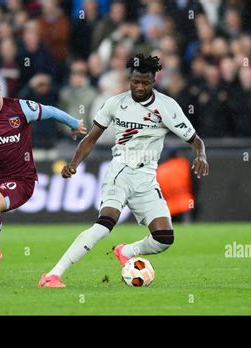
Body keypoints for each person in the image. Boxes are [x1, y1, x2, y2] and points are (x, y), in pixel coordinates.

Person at [38, 54, 209, 288]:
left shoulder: (167, 107)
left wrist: (201, 155)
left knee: (164, 239)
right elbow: (90, 139)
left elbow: (195, 139)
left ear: (154, 81)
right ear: (129, 78)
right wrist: (74, 163)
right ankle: (53, 274)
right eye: (135, 81)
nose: (139, 87)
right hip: (120, 172)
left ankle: (125, 251)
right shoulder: (115, 103)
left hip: (147, 179)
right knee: (104, 225)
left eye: (145, 83)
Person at [0, 70, 86, 285]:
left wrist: (74, 123)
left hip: (21, 179)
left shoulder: (19, 108)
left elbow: (51, 111)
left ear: (0, 89)